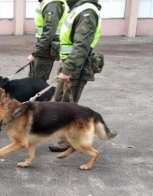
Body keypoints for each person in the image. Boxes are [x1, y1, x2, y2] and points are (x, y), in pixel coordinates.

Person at [49, 0, 102, 152]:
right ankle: (64, 135)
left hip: (76, 67)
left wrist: (68, 69)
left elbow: (81, 45)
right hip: (68, 64)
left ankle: (68, 140)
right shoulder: (76, 9)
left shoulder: (87, 11)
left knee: (68, 106)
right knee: (59, 102)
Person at [27, 0, 68, 83]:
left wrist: (35, 53)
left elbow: (48, 33)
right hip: (44, 46)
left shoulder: (52, 5)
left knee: (38, 82)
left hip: (47, 47)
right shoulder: (47, 3)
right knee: (33, 80)